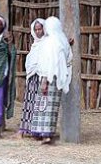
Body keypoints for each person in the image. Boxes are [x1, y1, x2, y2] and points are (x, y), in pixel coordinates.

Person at [28, 16, 73, 144]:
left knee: (43, 106)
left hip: (48, 77)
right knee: (52, 107)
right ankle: (46, 133)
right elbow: (69, 58)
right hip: (58, 77)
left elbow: (47, 63)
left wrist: (44, 80)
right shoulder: (63, 41)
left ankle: (44, 134)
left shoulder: (50, 42)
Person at [19, 17, 46, 137]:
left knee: (41, 105)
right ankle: (26, 128)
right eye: (36, 29)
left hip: (43, 78)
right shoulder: (35, 45)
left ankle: (39, 131)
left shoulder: (48, 43)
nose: (38, 32)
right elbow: (31, 61)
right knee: (29, 103)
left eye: (40, 29)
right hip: (33, 77)